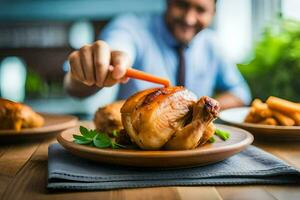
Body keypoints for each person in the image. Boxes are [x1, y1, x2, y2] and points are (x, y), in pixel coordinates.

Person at [64, 0, 251, 109]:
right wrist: (98, 65)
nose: (189, 18)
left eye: (200, 10)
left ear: (213, 13)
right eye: (182, 4)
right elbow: (117, 48)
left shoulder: (212, 44)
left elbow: (240, 92)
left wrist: (196, 109)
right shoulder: (131, 27)